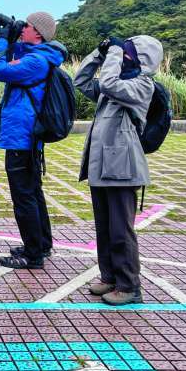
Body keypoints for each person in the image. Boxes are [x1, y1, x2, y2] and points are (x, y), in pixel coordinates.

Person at [73, 35, 162, 306]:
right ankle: (109, 276)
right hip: (102, 166)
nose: (122, 57)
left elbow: (109, 83)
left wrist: (113, 52)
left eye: (126, 53)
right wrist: (98, 55)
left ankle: (129, 285)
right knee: (104, 227)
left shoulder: (141, 85)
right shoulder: (117, 86)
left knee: (121, 230)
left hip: (123, 168)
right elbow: (82, 82)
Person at [0, 12, 66, 270]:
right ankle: (40, 243)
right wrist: (11, 36)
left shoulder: (36, 62)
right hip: (27, 136)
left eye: (27, 27)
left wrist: (0, 41)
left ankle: (32, 255)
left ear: (39, 33)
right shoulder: (40, 56)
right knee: (33, 192)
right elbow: (15, 56)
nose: (23, 29)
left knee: (24, 197)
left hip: (22, 137)